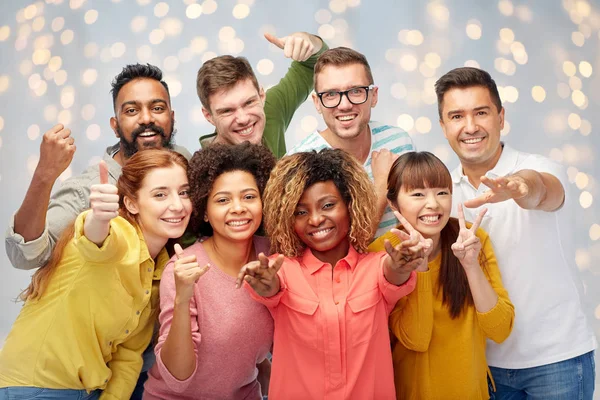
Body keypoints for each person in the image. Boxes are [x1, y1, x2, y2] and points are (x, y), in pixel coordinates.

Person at [436, 67, 596, 399]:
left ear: (500, 117)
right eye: (456, 116)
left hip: (556, 362)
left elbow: (543, 190)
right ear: (443, 126)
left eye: (481, 112)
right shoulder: (443, 192)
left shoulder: (542, 167)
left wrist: (521, 187)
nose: (470, 127)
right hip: (484, 365)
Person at [0, 149, 192, 400]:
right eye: (160, 194)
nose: (177, 205)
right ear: (131, 203)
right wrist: (99, 217)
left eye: (184, 192)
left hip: (88, 391)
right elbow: (95, 240)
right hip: (34, 387)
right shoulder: (118, 232)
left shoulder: (161, 270)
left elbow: (129, 357)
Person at [237, 149, 418, 399]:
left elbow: (392, 275)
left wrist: (400, 266)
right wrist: (266, 284)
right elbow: (272, 287)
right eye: (300, 212)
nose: (315, 219)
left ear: (350, 205)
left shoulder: (377, 266)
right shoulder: (280, 269)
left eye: (328, 205)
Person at [6, 63, 191, 272]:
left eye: (157, 108)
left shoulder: (182, 160)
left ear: (172, 117)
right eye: (132, 110)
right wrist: (43, 176)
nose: (147, 118)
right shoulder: (88, 188)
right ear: (115, 126)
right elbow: (25, 256)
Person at [368, 151, 515, 399]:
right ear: (393, 204)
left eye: (442, 192)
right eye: (417, 194)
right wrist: (421, 268)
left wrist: (470, 265)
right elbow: (416, 339)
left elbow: (500, 330)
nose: (433, 204)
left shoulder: (470, 239)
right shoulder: (383, 253)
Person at [143, 142, 276, 400]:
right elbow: (178, 378)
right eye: (223, 200)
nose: (238, 208)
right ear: (204, 211)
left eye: (249, 196)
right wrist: (182, 297)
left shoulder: (275, 256)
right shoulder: (182, 269)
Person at [287, 47, 415, 238]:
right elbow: (338, 248)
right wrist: (382, 185)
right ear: (316, 103)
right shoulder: (298, 163)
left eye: (356, 91)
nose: (344, 105)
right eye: (330, 94)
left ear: (374, 96)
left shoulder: (399, 142)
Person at [197, 31, 327, 158]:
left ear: (262, 96)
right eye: (227, 111)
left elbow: (316, 64)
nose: (243, 119)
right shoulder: (205, 172)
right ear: (209, 116)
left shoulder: (271, 109)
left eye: (249, 102)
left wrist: (305, 41)